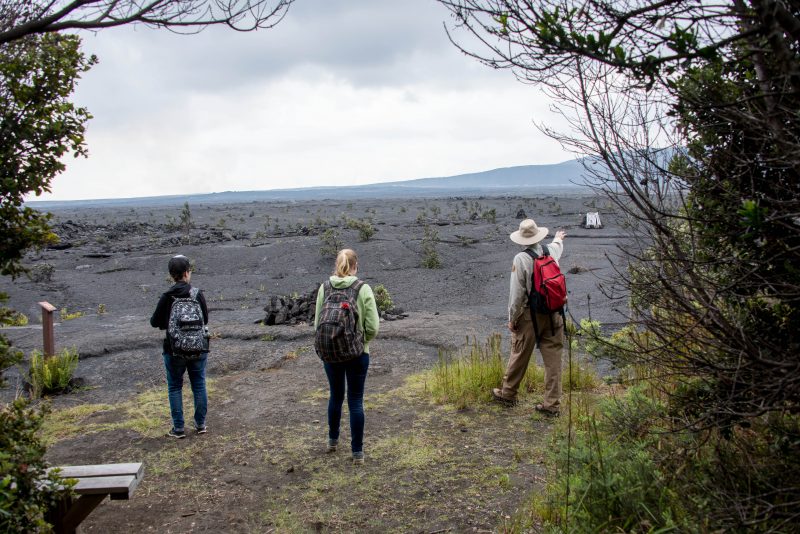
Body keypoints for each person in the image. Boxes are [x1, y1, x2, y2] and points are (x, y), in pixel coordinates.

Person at [492, 219, 567, 416]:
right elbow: (557, 245)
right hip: (554, 314)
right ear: (538, 235)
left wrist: (512, 318)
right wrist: (558, 238)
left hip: (530, 317)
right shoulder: (549, 251)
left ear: (521, 239)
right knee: (554, 359)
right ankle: (552, 404)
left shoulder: (521, 259)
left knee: (520, 353)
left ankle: (508, 394)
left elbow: (517, 295)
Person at [314, 249, 380, 464]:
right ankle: (357, 452)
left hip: (330, 354)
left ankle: (332, 441)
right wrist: (361, 343)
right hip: (357, 354)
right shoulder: (363, 288)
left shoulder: (325, 287)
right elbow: (373, 326)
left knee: (335, 396)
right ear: (355, 266)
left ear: (337, 265)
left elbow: (317, 324)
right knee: (355, 400)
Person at [150, 254, 210, 438]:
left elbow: (154, 322)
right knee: (198, 384)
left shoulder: (168, 296)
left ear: (172, 275)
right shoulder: (196, 294)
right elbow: (205, 319)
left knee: (175, 387)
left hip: (174, 349)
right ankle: (200, 424)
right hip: (198, 348)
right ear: (186, 273)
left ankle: (178, 429)